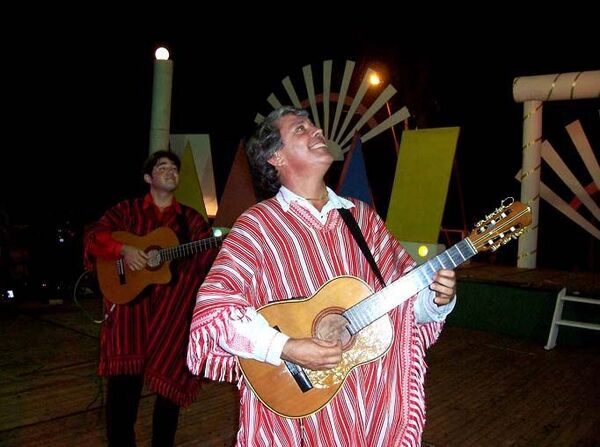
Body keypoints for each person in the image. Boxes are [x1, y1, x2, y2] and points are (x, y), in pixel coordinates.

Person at [187, 106, 457, 446]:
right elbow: (214, 312)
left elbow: (401, 310)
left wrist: (434, 298)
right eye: (301, 129)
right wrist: (286, 347)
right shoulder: (257, 225)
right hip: (298, 409)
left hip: (370, 402)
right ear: (276, 158)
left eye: (313, 125)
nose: (317, 131)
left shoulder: (363, 219)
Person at [84, 150, 217, 447]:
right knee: (122, 396)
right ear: (148, 178)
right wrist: (123, 251)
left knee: (169, 394)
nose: (171, 171)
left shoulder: (190, 219)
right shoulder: (126, 211)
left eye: (174, 168)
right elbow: (94, 236)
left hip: (172, 319)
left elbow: (208, 259)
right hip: (130, 316)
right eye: (162, 167)